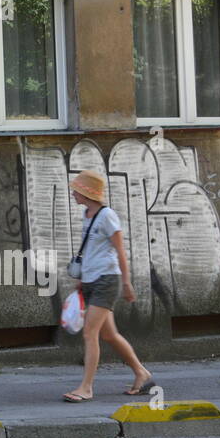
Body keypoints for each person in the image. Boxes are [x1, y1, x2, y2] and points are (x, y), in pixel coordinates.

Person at [62, 170, 155, 402]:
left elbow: (120, 251)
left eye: (76, 190)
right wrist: (82, 280)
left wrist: (126, 282)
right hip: (91, 280)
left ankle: (86, 388)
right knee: (110, 335)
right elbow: (92, 250)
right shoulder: (87, 214)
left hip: (107, 280)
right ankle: (142, 373)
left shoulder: (107, 216)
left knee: (89, 333)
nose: (73, 193)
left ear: (87, 192)